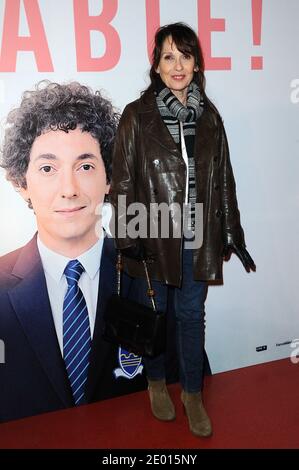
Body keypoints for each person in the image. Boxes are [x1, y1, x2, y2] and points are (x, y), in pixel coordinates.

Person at [110, 22, 255, 438]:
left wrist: (232, 230)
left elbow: (224, 177)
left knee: (192, 316)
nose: (178, 65)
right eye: (169, 56)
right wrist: (127, 235)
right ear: (155, 65)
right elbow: (122, 180)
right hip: (152, 232)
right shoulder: (137, 116)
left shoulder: (209, 116)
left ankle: (192, 393)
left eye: (185, 56)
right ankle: (155, 384)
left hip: (199, 233)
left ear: (196, 64)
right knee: (156, 316)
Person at [0, 81, 147, 423]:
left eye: (85, 166)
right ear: (22, 184)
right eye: (48, 168)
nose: (69, 189)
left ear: (110, 178)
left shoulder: (152, 277)